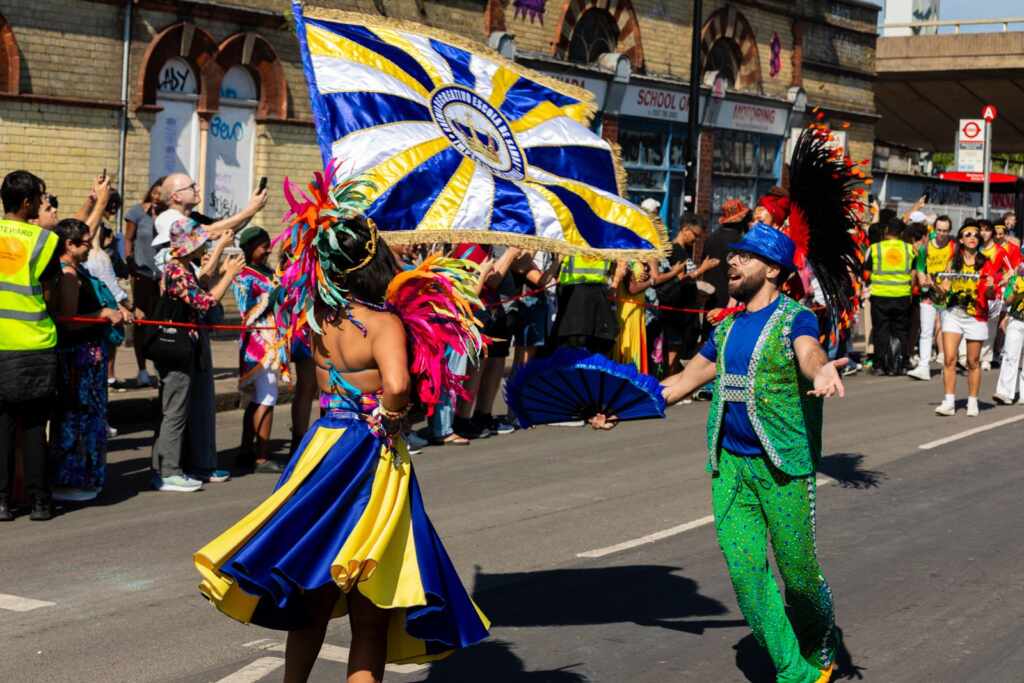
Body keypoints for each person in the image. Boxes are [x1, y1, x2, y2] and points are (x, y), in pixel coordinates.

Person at [194, 184, 489, 682]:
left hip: (323, 446)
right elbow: (395, 385)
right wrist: (395, 415)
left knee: (312, 584)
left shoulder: (319, 319)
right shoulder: (382, 323)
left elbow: (325, 379)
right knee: (370, 607)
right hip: (369, 456)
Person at [599, 224, 852, 683]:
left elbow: (810, 352)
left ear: (773, 270)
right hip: (730, 467)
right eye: (733, 255)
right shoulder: (727, 327)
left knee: (797, 576)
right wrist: (621, 407)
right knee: (747, 574)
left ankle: (820, 640)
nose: (732, 262)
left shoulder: (796, 318)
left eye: (746, 257)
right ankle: (794, 671)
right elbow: (680, 383)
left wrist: (819, 374)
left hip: (783, 467)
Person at [150, 223, 244, 492]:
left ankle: (179, 466)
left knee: (181, 409)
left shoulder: (181, 268)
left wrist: (221, 272)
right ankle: (168, 472)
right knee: (175, 412)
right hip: (175, 350)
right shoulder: (176, 269)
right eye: (201, 241)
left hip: (185, 349)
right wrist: (228, 276)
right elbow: (204, 302)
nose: (206, 246)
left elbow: (198, 290)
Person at [0, 171, 61, 521]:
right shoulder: (44, 241)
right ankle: (39, 502)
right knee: (35, 425)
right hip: (34, 344)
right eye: (39, 199)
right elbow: (50, 294)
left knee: (2, 425)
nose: (41, 204)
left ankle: (3, 501)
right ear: (26, 203)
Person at [50, 219, 124, 503]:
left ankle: (83, 476)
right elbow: (68, 322)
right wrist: (103, 314)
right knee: (78, 418)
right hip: (78, 359)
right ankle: (72, 479)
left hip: (89, 358)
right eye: (85, 241)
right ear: (69, 245)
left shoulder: (76, 269)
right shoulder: (68, 275)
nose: (90, 246)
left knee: (88, 417)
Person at [232, 226, 285, 475]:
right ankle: (260, 457)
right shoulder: (244, 275)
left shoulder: (267, 271)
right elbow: (246, 310)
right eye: (263, 245)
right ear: (251, 247)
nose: (268, 249)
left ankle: (247, 450)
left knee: (259, 398)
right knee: (266, 397)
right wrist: (272, 296)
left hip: (272, 339)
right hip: (259, 345)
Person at [933, 223, 999, 417]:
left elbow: (990, 294)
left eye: (975, 235)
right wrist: (933, 285)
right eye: (967, 234)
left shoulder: (986, 262)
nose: (972, 237)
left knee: (973, 361)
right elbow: (944, 288)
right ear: (961, 239)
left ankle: (972, 401)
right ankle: (949, 402)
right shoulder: (953, 262)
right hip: (953, 313)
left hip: (976, 315)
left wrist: (989, 286)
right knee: (949, 358)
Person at [124, 177, 166, 387]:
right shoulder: (137, 212)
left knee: (161, 322)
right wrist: (129, 262)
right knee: (141, 321)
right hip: (142, 273)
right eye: (155, 193)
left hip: (163, 277)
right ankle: (141, 369)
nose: (158, 197)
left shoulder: (167, 215)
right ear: (150, 192)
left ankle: (160, 366)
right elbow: (128, 239)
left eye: (162, 194)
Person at [908, 215, 955, 380]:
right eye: (939, 230)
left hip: (947, 296)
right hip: (928, 294)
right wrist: (922, 279)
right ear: (934, 230)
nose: (942, 234)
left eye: (945, 231)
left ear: (950, 231)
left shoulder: (953, 247)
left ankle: (949, 366)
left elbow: (954, 268)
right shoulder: (925, 247)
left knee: (948, 332)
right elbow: (920, 266)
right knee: (926, 332)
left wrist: (946, 283)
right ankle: (924, 367)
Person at [864, 220, 915, 375]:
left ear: (886, 231)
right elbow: (913, 274)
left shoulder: (875, 248)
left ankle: (880, 365)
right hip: (902, 295)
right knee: (901, 330)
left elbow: (866, 273)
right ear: (901, 234)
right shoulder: (909, 249)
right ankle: (903, 363)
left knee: (881, 330)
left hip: (880, 295)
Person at [551, 253, 617, 355]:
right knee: (591, 347)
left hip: (576, 297)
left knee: (574, 348)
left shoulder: (570, 237)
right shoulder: (604, 239)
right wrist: (615, 284)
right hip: (583, 296)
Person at [612, 259, 655, 373]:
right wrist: (651, 281)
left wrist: (645, 277)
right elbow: (632, 289)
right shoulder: (627, 260)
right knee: (628, 343)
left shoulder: (635, 258)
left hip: (636, 309)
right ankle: (626, 375)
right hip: (628, 309)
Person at [994, 265, 1024, 405]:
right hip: (1016, 320)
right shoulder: (1016, 277)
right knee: (1010, 356)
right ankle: (1004, 392)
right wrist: (1016, 294)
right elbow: (1007, 301)